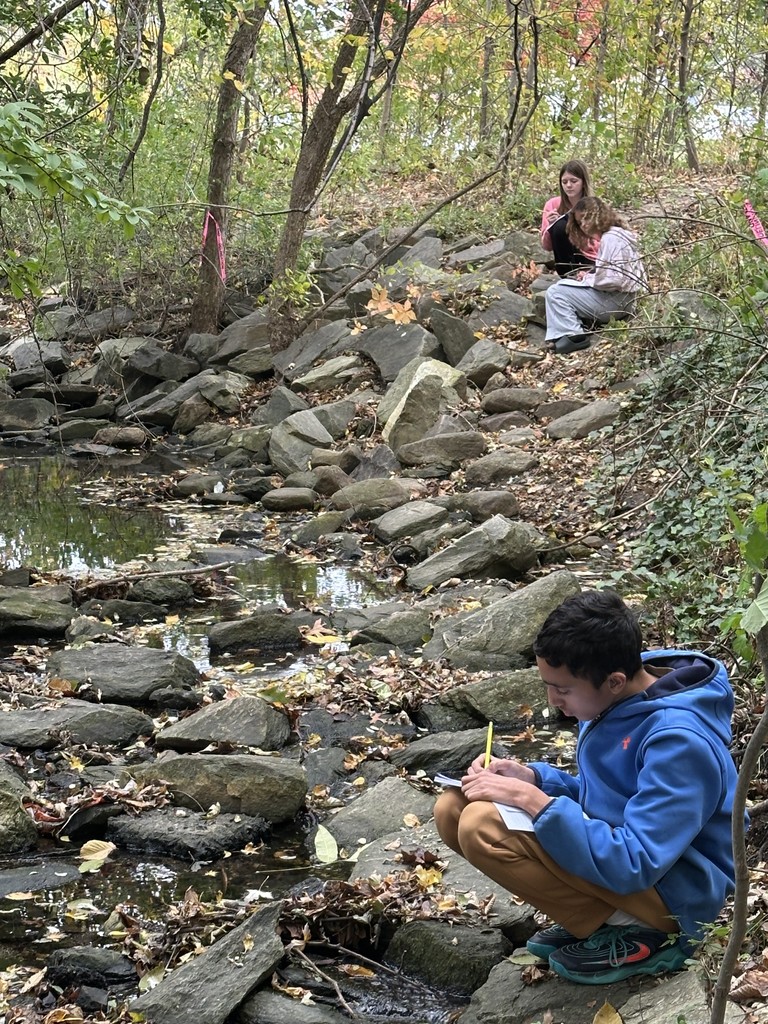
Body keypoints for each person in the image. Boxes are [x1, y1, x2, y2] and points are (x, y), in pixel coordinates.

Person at [433, 589, 741, 986]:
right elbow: (608, 798)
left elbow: (637, 860)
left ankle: (648, 934)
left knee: (481, 825)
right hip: (635, 865)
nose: (553, 700)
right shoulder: (617, 692)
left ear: (613, 681)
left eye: (562, 690)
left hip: (680, 895)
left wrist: (534, 803)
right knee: (452, 806)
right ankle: (604, 919)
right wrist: (534, 779)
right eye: (548, 684)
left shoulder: (678, 742)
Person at [544, 196, 647, 354]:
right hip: (627, 299)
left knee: (555, 292)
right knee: (562, 286)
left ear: (598, 215)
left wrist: (588, 278)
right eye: (580, 222)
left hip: (617, 303)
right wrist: (590, 275)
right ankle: (573, 329)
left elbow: (614, 279)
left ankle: (573, 335)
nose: (584, 225)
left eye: (586, 218)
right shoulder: (618, 233)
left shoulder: (611, 238)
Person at [540, 160, 600, 277]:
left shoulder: (594, 207)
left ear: (583, 182)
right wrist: (551, 226)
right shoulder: (552, 205)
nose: (568, 185)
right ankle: (569, 277)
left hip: (592, 260)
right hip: (566, 261)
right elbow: (547, 247)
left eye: (573, 181)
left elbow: (603, 243)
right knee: (559, 226)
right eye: (564, 182)